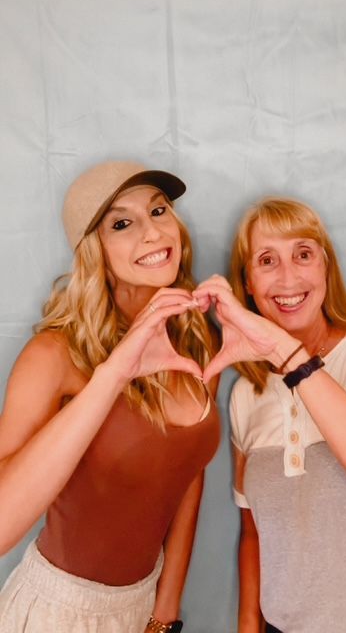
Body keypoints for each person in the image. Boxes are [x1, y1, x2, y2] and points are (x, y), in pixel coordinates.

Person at [0, 160, 220, 633]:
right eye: (122, 223)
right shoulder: (54, 355)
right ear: (94, 250)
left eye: (158, 210)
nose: (152, 232)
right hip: (58, 614)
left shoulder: (201, 342)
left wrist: (164, 614)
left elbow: (187, 478)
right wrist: (114, 372)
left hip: (143, 608)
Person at [193, 197, 346, 633]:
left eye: (303, 255)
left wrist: (289, 356)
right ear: (248, 284)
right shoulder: (247, 393)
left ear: (325, 269)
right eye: (267, 260)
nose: (288, 277)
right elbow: (256, 535)